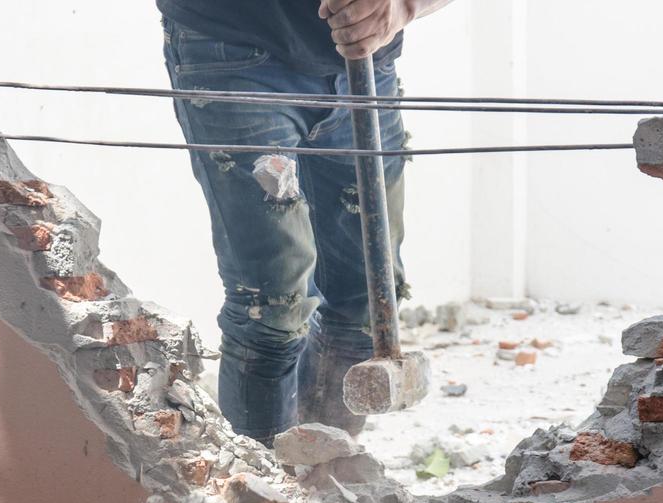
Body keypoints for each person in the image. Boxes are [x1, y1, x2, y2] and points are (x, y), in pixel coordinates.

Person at [157, 0, 456, 443]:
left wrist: (403, 7)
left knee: (368, 301)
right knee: (274, 310)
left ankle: (321, 477)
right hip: (236, 51)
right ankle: (264, 498)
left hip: (368, 60)